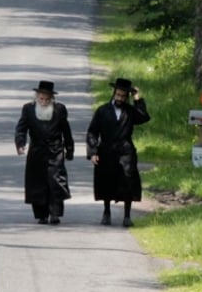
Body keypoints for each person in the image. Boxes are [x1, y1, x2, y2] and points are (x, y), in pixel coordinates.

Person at [86, 77, 151, 227]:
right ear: (114, 93)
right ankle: (106, 212)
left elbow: (144, 117)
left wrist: (137, 98)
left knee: (128, 180)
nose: (120, 98)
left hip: (125, 151)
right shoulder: (102, 110)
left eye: (123, 96)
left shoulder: (130, 111)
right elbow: (92, 132)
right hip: (106, 151)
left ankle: (127, 216)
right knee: (106, 181)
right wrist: (93, 151)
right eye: (118, 95)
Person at [15, 80, 75, 224]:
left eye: (47, 99)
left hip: (56, 151)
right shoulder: (28, 109)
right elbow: (21, 128)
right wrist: (20, 144)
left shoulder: (59, 109)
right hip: (36, 152)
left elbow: (66, 131)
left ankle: (55, 214)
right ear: (36, 97)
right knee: (37, 183)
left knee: (56, 182)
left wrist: (69, 149)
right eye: (41, 98)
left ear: (52, 98)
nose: (44, 101)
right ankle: (41, 215)